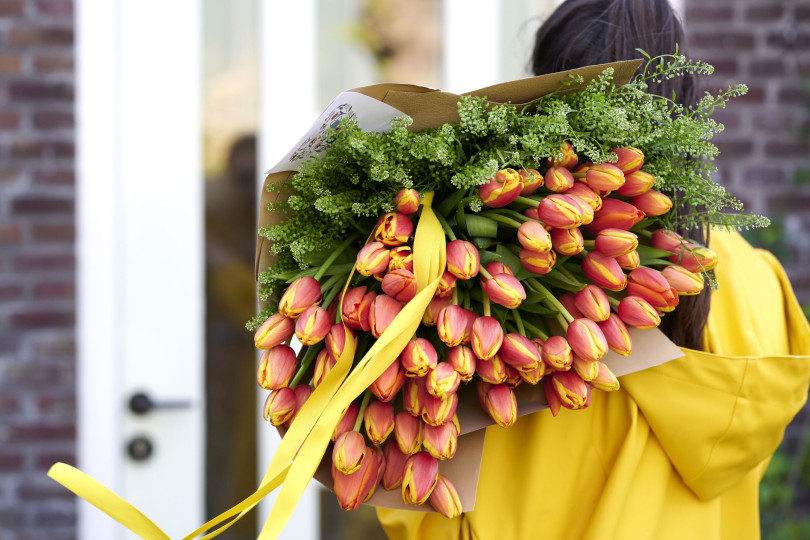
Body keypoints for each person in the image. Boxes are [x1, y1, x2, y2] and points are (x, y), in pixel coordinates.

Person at [376, 1, 810, 538]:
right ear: (682, 108)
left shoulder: (490, 282)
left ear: (539, 108)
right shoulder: (760, 282)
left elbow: (421, 505)